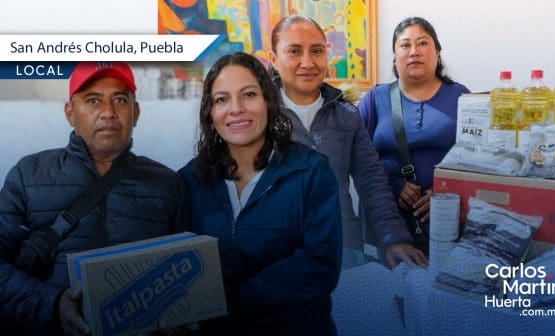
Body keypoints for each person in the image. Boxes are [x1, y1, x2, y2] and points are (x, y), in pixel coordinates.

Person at [0, 62, 188, 335]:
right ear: (70, 113)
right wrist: (51, 305)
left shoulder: (169, 184)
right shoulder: (28, 175)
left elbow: (184, 272)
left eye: (120, 100)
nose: (108, 112)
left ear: (135, 113)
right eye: (92, 100)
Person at [179, 52, 341, 335]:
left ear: (268, 101)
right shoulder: (189, 180)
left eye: (249, 94)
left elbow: (319, 264)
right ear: (210, 112)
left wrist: (230, 304)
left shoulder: (311, 171)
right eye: (221, 99)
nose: (236, 108)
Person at [268, 14, 427, 268]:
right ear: (274, 59)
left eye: (317, 51)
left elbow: (372, 181)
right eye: (294, 51)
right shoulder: (255, 117)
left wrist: (394, 239)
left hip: (342, 252)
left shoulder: (346, 116)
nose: (307, 62)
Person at [358, 17, 471, 254]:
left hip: (448, 217)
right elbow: (358, 160)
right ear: (394, 55)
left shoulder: (463, 97)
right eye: (405, 45)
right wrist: (393, 185)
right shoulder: (374, 100)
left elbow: (479, 160)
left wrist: (446, 191)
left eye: (422, 43)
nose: (414, 52)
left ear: (437, 52)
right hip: (389, 217)